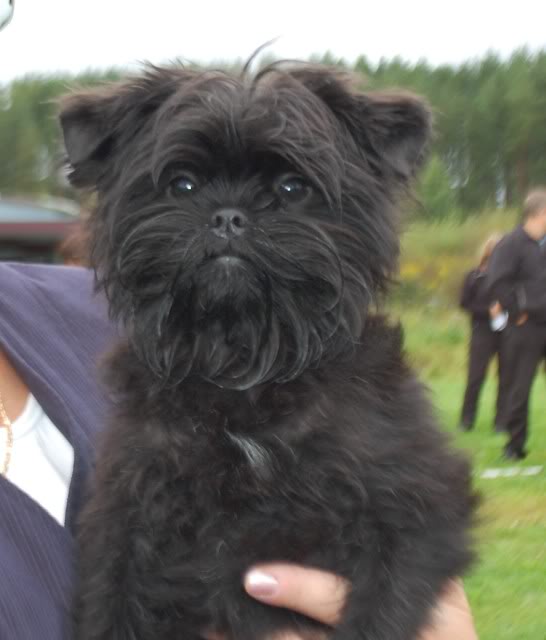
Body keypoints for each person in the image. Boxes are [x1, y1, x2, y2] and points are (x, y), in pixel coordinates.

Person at [0, 261, 478, 638]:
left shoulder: (111, 305)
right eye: (183, 185)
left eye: (288, 190)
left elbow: (417, 521)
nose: (227, 218)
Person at [485, 188, 546, 460]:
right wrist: (517, 309)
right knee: (519, 387)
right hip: (525, 327)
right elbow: (496, 281)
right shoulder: (510, 244)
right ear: (541, 213)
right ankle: (514, 446)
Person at [459, 233, 508, 432]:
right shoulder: (474, 276)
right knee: (475, 377)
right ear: (487, 252)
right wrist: (488, 311)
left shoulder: (509, 276)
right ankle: (466, 421)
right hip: (481, 332)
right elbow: (464, 303)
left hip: (506, 332)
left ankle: (501, 423)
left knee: (505, 378)